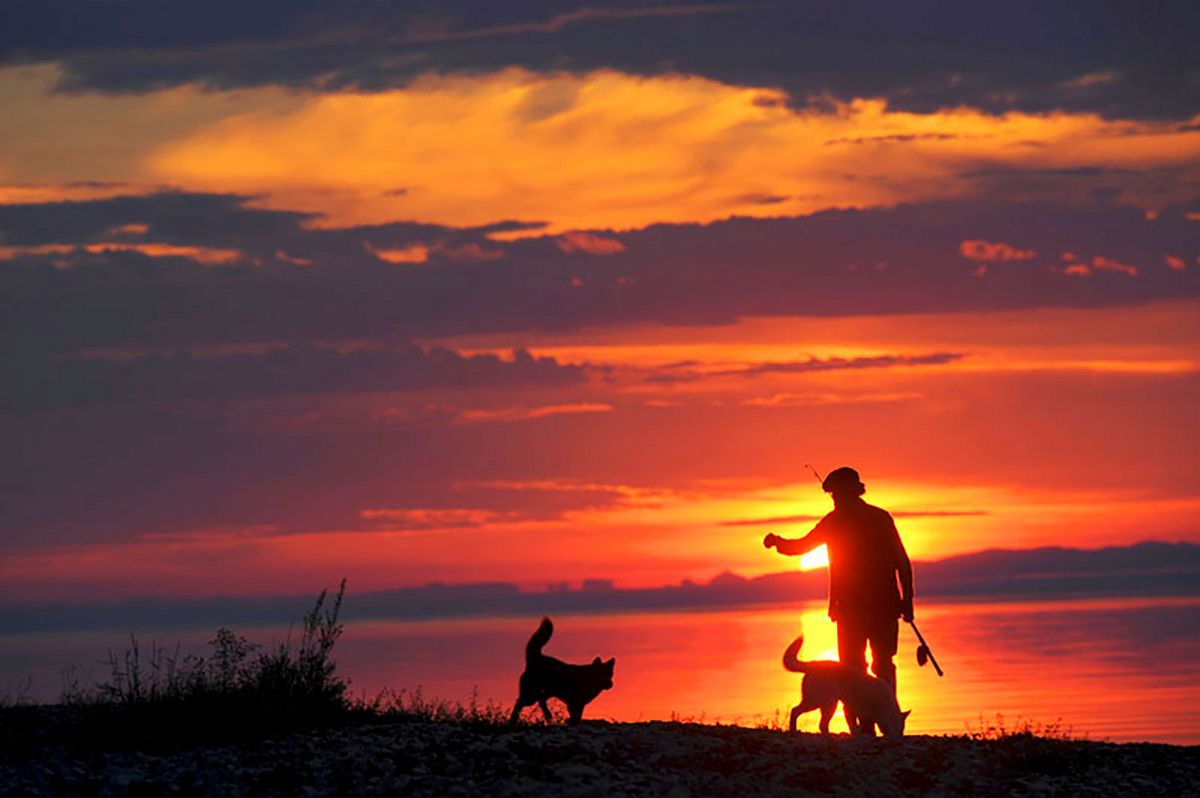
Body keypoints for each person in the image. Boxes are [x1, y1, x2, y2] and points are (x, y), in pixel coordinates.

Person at [763, 467, 913, 692]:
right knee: (875, 664)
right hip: (877, 606)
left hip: (856, 608)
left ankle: (869, 713)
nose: (834, 499)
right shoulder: (879, 518)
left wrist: (777, 542)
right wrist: (906, 601)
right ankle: (882, 712)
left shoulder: (839, 522)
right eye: (832, 494)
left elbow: (801, 546)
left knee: (855, 667)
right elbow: (902, 562)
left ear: (851, 492)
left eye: (836, 494)